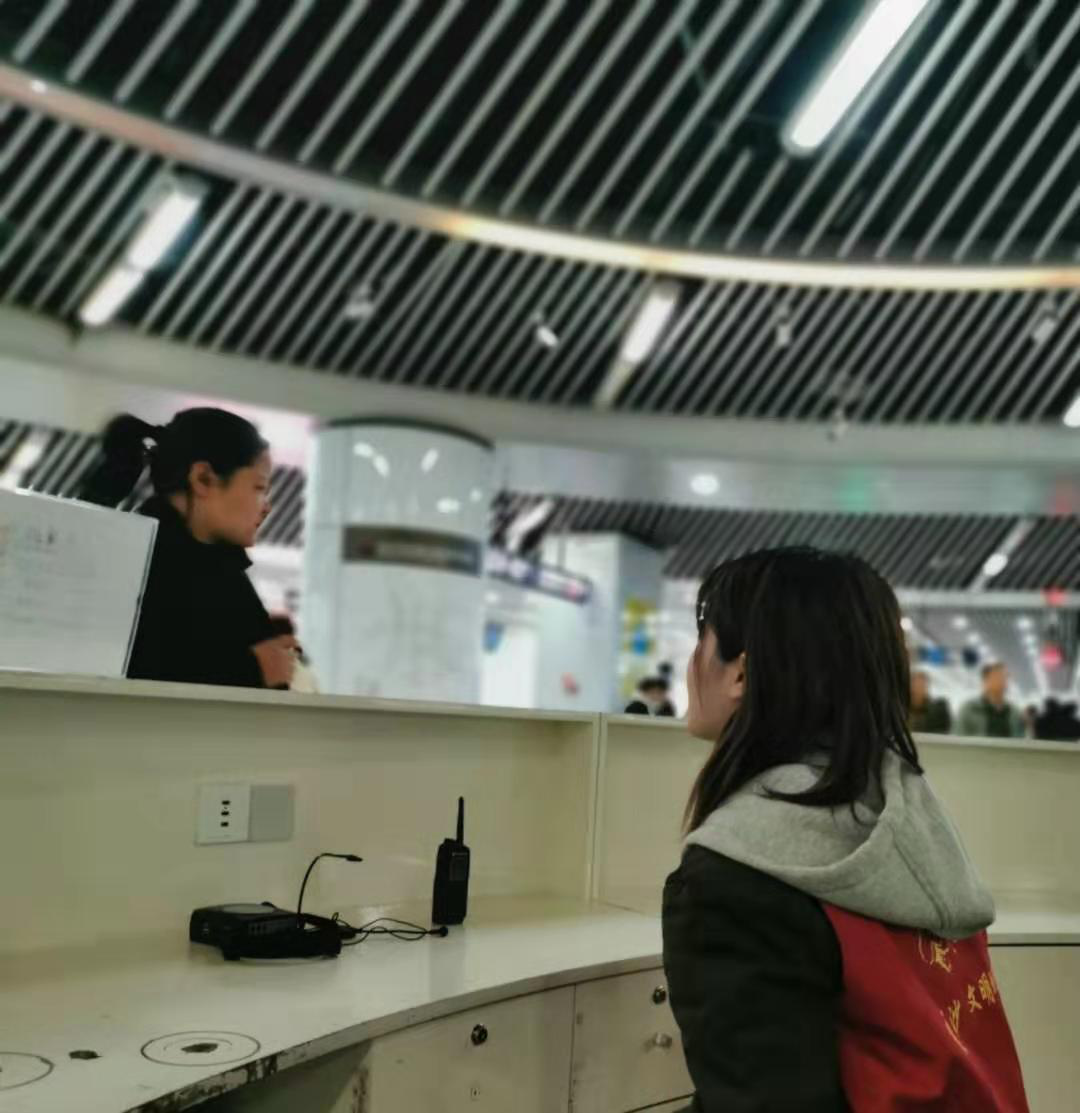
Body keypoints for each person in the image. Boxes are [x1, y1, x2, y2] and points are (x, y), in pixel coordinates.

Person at [663, 547, 1028, 1111]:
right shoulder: (912, 820)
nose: (691, 664)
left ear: (742, 672)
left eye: (702, 639)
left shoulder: (735, 876)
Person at [80, 408, 295, 689]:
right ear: (203, 478)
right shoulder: (135, 566)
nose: (266, 507)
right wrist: (254, 670)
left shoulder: (220, 565)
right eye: (259, 487)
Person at [958, 663, 1025, 739]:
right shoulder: (969, 709)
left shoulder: (1014, 712)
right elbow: (957, 741)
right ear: (985, 681)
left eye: (1006, 677)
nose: (1003, 681)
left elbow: (1021, 740)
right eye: (998, 677)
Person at [909, 669, 952, 734]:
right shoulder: (900, 711)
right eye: (915, 685)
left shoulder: (937, 712)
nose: (917, 689)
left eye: (921, 686)